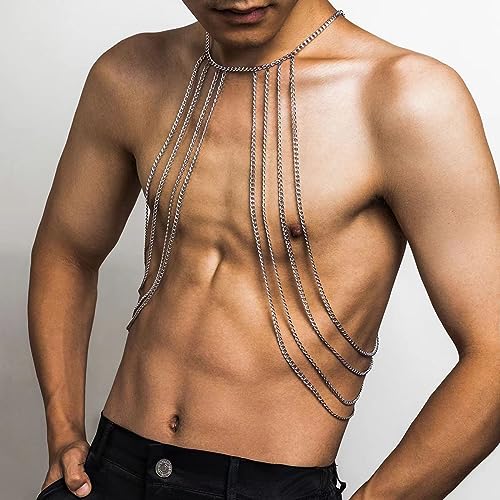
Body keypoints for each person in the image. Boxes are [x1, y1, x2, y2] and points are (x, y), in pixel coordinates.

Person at [29, 0, 499, 499]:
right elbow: (67, 252)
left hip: (261, 486)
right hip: (108, 469)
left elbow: (493, 353)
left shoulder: (403, 96)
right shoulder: (132, 72)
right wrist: (63, 429)